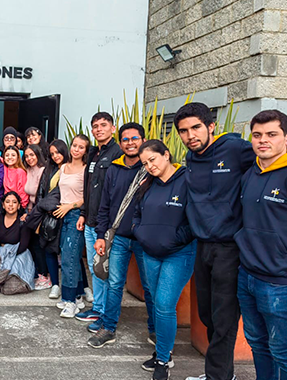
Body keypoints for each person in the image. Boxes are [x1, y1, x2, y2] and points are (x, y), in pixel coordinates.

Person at [175, 103, 255, 380]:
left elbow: (276, 161)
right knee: (208, 315)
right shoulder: (190, 158)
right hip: (203, 246)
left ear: (211, 127)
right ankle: (222, 374)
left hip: (230, 248)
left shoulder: (235, 150)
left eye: (196, 127)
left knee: (224, 318)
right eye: (183, 131)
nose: (190, 135)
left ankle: (218, 377)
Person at [235, 110, 287, 380]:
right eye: (257, 135)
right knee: (258, 344)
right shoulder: (251, 172)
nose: (262, 140)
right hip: (248, 276)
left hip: (283, 282)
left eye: (271, 134)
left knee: (285, 351)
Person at [89, 122, 155, 348]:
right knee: (115, 284)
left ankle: (156, 331)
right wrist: (100, 235)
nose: (130, 143)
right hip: (119, 238)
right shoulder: (114, 169)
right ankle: (108, 328)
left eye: (134, 138)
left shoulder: (151, 169)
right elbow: (104, 206)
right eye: (125, 139)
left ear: (143, 140)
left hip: (146, 241)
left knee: (150, 287)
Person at [133, 140, 195, 379]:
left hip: (178, 254)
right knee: (155, 301)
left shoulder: (187, 180)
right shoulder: (147, 184)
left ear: (166, 155)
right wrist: (140, 232)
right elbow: (136, 213)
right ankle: (163, 351)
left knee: (164, 305)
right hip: (149, 252)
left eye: (153, 159)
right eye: (145, 163)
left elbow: (195, 220)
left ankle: (162, 360)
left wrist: (174, 240)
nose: (149, 166)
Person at [74, 112, 123, 326]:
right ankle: (97, 308)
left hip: (106, 225)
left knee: (106, 271)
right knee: (95, 268)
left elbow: (114, 193)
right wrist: (84, 213)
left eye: (103, 125)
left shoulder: (117, 153)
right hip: (90, 221)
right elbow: (89, 189)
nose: (99, 129)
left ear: (113, 128)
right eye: (95, 126)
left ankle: (105, 315)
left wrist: (104, 227)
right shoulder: (93, 153)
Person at [54, 134, 89, 318]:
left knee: (69, 257)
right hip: (63, 216)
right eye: (74, 145)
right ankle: (77, 295)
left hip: (76, 215)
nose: (76, 149)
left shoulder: (86, 170)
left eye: (81, 147)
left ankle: (69, 302)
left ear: (85, 150)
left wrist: (72, 206)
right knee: (68, 255)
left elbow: (89, 197)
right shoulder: (63, 167)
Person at [36, 139, 69, 299]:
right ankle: (55, 284)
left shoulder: (71, 168)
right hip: (49, 214)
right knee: (49, 249)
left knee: (69, 252)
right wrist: (41, 212)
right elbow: (41, 192)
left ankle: (82, 287)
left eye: (58, 152)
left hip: (67, 214)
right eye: (52, 153)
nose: (55, 156)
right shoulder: (48, 169)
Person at [0, 191, 35, 294]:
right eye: (7, 202)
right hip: (0, 250)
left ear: (18, 206)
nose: (10, 205)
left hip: (18, 253)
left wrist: (10, 257)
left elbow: (23, 245)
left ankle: (2, 279)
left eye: (14, 202)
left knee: (11, 284)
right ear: (3, 205)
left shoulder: (23, 220)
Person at [23, 144, 50, 290]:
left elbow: (42, 195)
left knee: (39, 245)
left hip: (40, 212)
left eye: (32, 155)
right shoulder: (27, 169)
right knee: (32, 244)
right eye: (27, 156)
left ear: (38, 154)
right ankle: (38, 273)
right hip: (30, 210)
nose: (29, 158)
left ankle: (44, 276)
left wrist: (34, 215)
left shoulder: (43, 170)